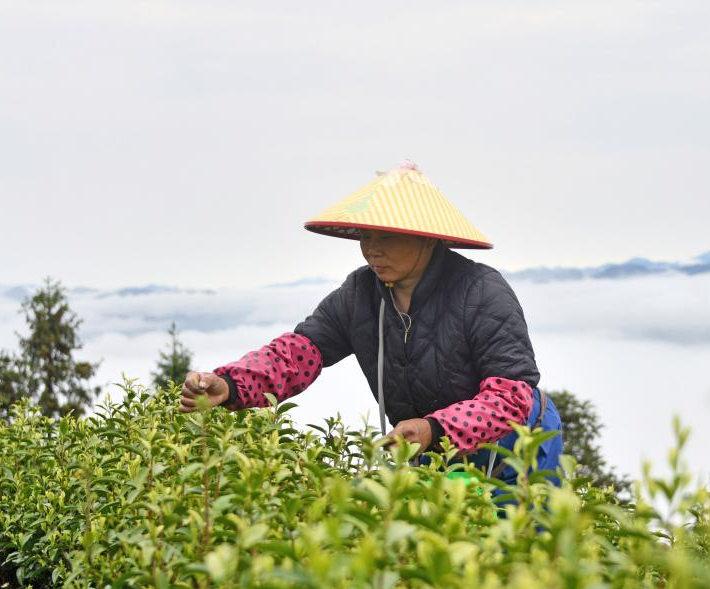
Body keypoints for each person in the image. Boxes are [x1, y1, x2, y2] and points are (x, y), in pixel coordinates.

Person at [179, 162, 562, 483]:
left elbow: (512, 396)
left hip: (514, 447)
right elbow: (300, 351)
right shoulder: (361, 292)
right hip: (426, 444)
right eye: (366, 235)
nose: (373, 248)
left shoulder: (481, 291)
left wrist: (436, 429)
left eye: (389, 236)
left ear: (427, 240)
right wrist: (230, 383)